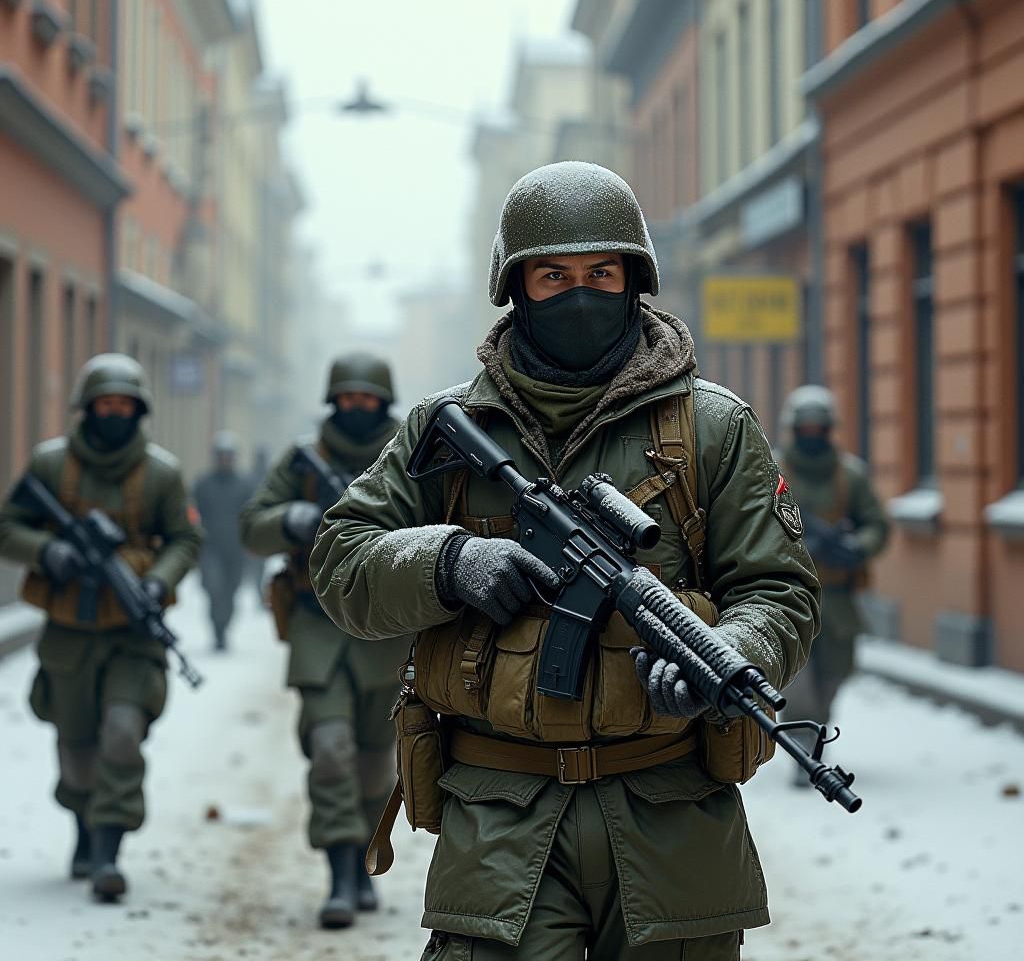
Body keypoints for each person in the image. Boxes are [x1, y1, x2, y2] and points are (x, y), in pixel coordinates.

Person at [309, 161, 821, 960]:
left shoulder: (714, 428)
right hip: (500, 816)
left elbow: (779, 590)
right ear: (516, 287)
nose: (580, 293)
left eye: (600, 272)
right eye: (554, 275)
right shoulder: (447, 429)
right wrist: (449, 562)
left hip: (669, 813)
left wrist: (728, 654)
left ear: (634, 281)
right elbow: (342, 562)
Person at [0, 354, 201, 901]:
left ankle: (109, 849)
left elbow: (185, 540)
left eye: (124, 405)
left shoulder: (160, 473)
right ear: (87, 409)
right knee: (76, 745)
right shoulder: (51, 465)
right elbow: (8, 526)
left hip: (132, 636)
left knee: (121, 733)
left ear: (138, 410)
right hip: (68, 630)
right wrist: (50, 551)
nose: (114, 413)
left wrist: (157, 582)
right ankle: (84, 828)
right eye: (104, 404)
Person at [239, 352, 407, 930]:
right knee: (330, 749)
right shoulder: (303, 461)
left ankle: (362, 861)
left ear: (384, 402)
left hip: (386, 630)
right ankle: (339, 870)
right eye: (348, 397)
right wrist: (292, 518)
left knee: (374, 762)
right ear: (332, 401)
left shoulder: (410, 455)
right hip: (317, 627)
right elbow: (251, 525)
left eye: (368, 398)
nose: (357, 407)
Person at [775, 385, 888, 773]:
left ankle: (815, 731)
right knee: (796, 679)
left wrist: (856, 545)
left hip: (837, 598)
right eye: (803, 429)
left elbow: (877, 524)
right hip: (788, 594)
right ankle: (801, 747)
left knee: (834, 675)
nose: (810, 436)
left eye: (817, 429)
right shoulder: (771, 472)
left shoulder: (850, 475)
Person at [192, 431, 254, 650]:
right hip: (210, 549)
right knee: (214, 589)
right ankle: (217, 629)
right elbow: (192, 514)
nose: (225, 459)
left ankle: (224, 626)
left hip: (236, 549)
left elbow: (252, 516)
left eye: (228, 455)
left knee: (230, 592)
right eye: (221, 455)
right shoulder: (203, 484)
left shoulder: (245, 485)